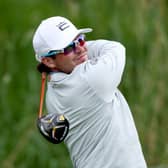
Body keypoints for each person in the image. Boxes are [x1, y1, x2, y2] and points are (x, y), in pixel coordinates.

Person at [32, 16, 147, 168]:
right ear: (49, 61)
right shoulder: (91, 80)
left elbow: (77, 56)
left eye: (80, 39)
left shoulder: (52, 93)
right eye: (68, 48)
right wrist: (83, 49)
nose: (81, 48)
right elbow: (116, 48)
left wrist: (74, 49)